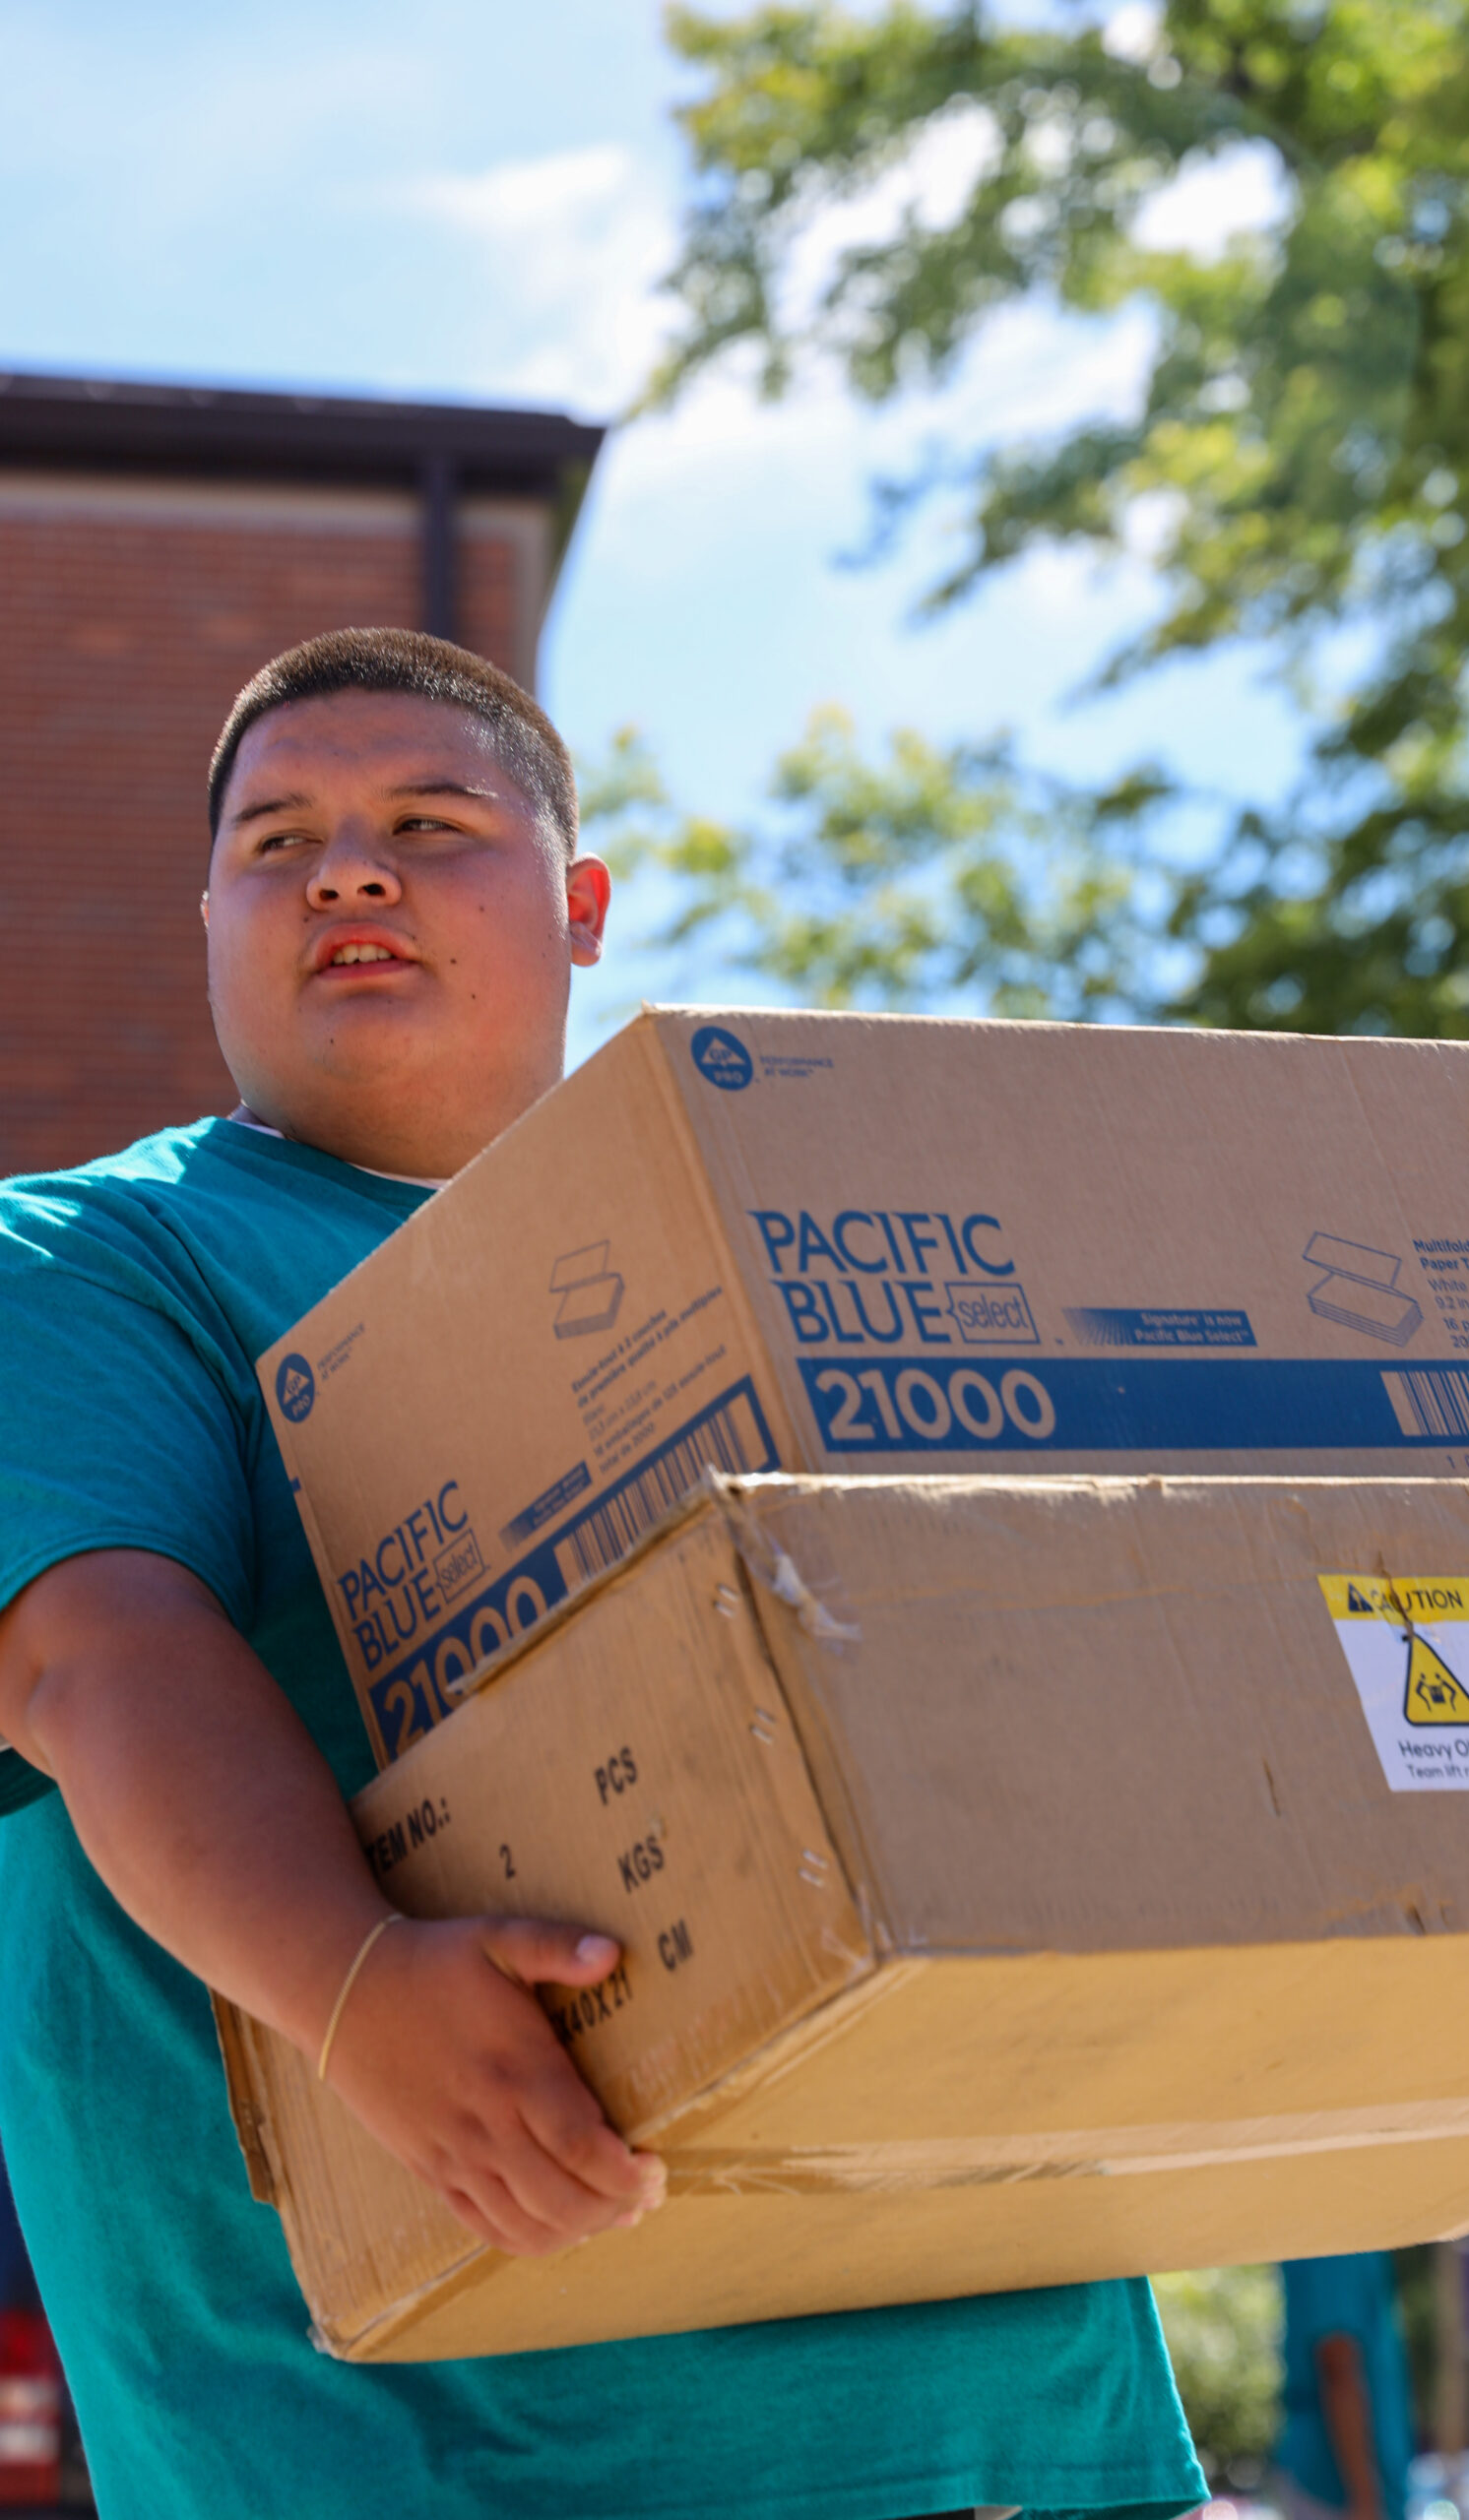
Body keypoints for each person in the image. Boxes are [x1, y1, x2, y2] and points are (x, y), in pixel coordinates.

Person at [0, 628, 1206, 2520]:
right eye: (277, 842)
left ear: (579, 908)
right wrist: (353, 1981)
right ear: (211, 921)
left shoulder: (802, 1259)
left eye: (426, 819)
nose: (348, 871)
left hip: (1018, 2419)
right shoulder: (88, 1260)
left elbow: (1151, 1689)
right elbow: (89, 1664)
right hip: (431, 2458)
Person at [1272, 2254, 1412, 2520]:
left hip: (1347, 2486)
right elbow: (1337, 2362)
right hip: (1334, 2489)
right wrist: (1364, 2498)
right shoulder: (1338, 2238)